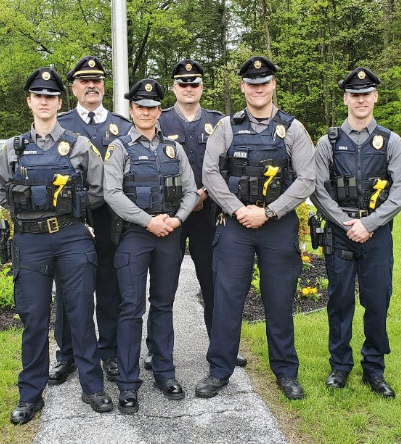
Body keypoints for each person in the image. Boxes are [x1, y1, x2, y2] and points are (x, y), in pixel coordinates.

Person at [199, 56, 326, 400]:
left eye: (264, 82)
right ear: (243, 87)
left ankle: (286, 373)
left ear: (273, 85)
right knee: (227, 300)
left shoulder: (293, 128)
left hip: (277, 226)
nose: (258, 88)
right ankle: (219, 371)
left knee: (279, 301)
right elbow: (210, 173)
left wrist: (268, 212)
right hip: (235, 226)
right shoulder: (226, 127)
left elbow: (307, 179)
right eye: (251, 83)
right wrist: (240, 210)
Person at [0, 67, 111, 423]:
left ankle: (93, 388)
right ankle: (30, 395)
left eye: (51, 96)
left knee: (79, 315)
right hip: (30, 241)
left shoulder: (78, 145)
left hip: (72, 237)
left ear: (60, 102)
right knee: (34, 319)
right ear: (29, 102)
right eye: (38, 96)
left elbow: (100, 190)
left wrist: (72, 211)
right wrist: (27, 209)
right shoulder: (13, 149)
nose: (44, 101)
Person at [102, 78, 197, 411]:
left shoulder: (173, 148)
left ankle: (164, 371)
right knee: (131, 309)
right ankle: (128, 384)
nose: (146, 111)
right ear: (131, 110)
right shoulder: (119, 148)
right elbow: (110, 193)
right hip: (134, 236)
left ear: (159, 110)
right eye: (140, 106)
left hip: (169, 234)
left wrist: (177, 219)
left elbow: (190, 191)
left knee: (163, 304)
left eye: (152, 106)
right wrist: (148, 221)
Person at [158, 59, 243, 368]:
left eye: (194, 83)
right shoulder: (160, 121)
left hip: (209, 214)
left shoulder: (220, 122)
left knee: (214, 284)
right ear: (174, 87)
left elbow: (227, 164)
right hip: (171, 216)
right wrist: (185, 198)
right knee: (164, 287)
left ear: (202, 87)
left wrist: (203, 194)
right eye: (183, 83)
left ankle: (222, 349)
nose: (189, 88)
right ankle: (159, 351)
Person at [50, 55, 129, 384]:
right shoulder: (60, 124)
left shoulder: (122, 126)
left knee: (110, 288)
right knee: (69, 291)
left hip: (111, 221)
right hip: (71, 221)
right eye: (84, 81)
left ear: (104, 86)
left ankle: (108, 352)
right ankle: (66, 354)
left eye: (97, 80)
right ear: (74, 88)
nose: (92, 85)